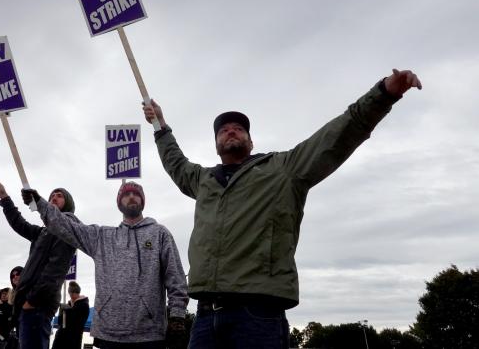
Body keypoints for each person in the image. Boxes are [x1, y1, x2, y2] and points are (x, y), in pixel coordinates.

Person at [142, 69, 422, 348]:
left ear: (251, 142)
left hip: (257, 315)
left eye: (239, 128)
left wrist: (384, 94)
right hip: (204, 317)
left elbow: (336, 135)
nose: (230, 130)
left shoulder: (283, 170)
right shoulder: (204, 181)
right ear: (216, 145)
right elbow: (176, 163)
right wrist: (160, 126)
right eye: (223, 130)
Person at [22, 181, 189, 349]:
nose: (131, 196)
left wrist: (177, 318)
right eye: (126, 194)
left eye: (136, 194)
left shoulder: (160, 234)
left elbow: (176, 278)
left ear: (143, 201)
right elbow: (67, 227)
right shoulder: (102, 236)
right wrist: (40, 203)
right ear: (119, 203)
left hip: (149, 335)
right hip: (108, 335)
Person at [0, 181, 77, 349]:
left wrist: (33, 300)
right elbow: (18, 223)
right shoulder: (42, 232)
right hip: (28, 306)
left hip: (37, 305)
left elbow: (56, 270)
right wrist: (4, 197)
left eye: (60, 196)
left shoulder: (68, 225)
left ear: (68, 204)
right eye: (52, 195)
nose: (54, 198)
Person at [51, 281, 90, 349]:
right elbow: (60, 322)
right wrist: (62, 311)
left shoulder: (83, 305)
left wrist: (67, 310)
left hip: (73, 339)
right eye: (70, 293)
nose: (70, 296)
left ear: (76, 292)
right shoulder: (69, 304)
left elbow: (75, 322)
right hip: (61, 337)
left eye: (72, 293)